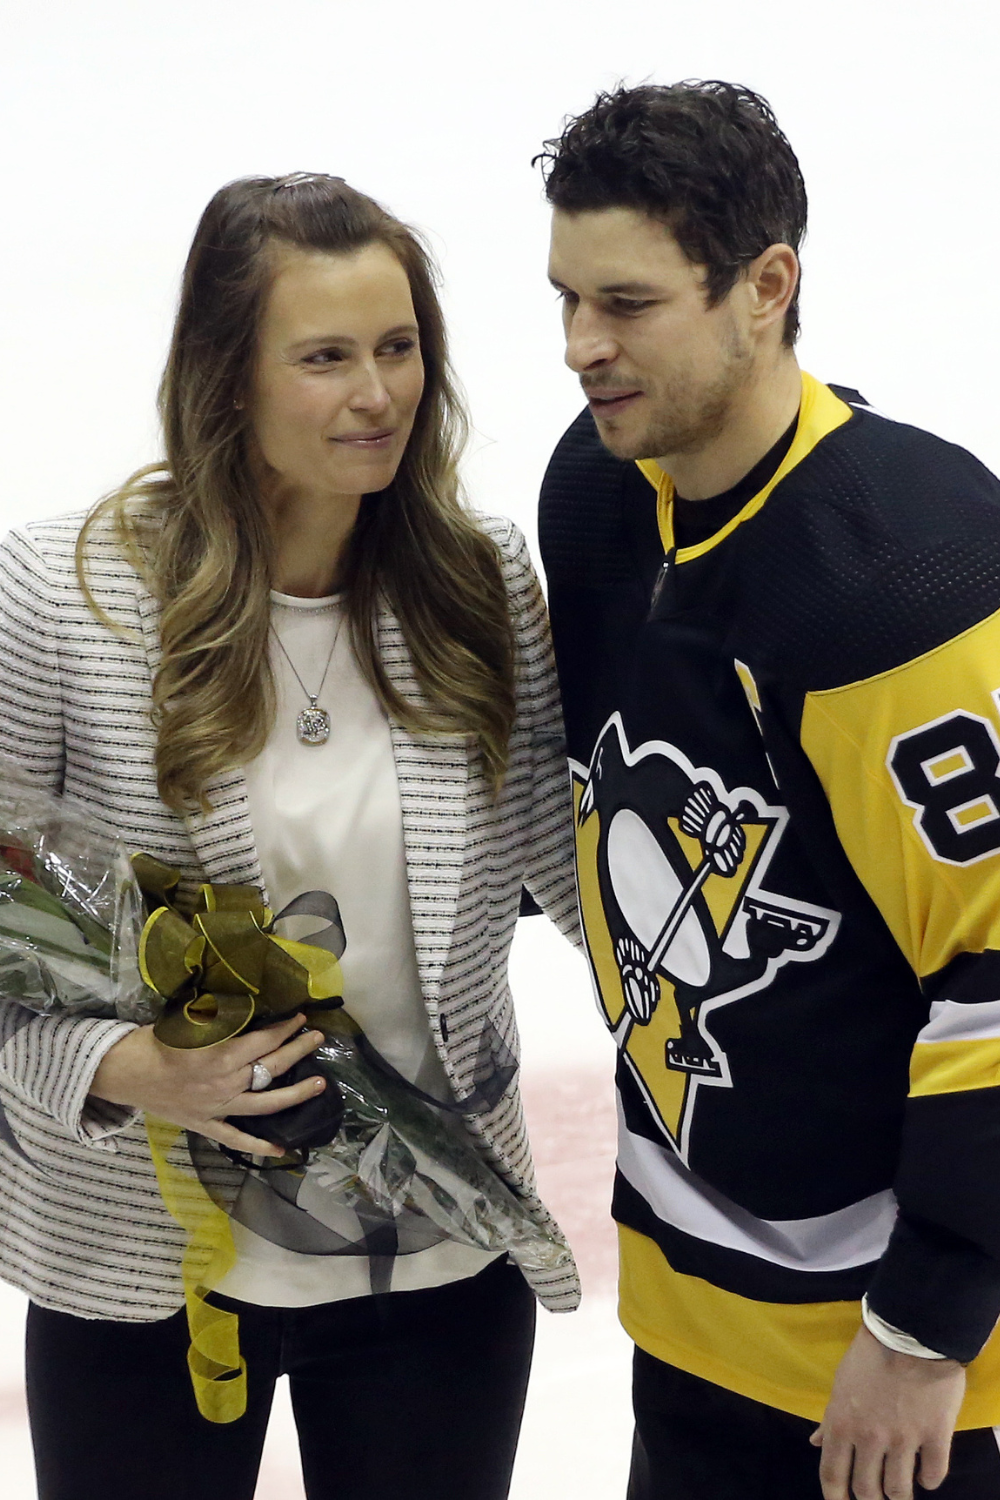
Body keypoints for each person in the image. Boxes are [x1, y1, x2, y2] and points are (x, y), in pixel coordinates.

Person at [0, 172, 580, 1500]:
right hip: (150, 1274)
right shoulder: (62, 595)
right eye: (325, 357)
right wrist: (125, 1066)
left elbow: (578, 860)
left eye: (398, 347)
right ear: (227, 378)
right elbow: (1, 921)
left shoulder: (478, 583)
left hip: (438, 1258)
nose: (377, 394)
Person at [535, 82, 1000, 1500]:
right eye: (562, 300)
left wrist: (923, 1333)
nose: (580, 349)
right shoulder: (602, 492)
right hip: (690, 1331)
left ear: (766, 287)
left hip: (904, 1384)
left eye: (624, 304)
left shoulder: (907, 578)